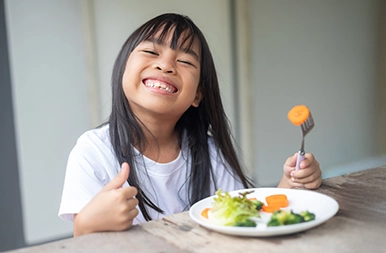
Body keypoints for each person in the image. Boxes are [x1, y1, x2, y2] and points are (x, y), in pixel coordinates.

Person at [58, 13, 322, 236]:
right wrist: (87, 224)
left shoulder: (210, 152)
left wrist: (290, 184)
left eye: (184, 61)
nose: (165, 65)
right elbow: (81, 240)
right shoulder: (93, 151)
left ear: (198, 95)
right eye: (151, 51)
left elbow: (247, 216)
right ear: (122, 69)